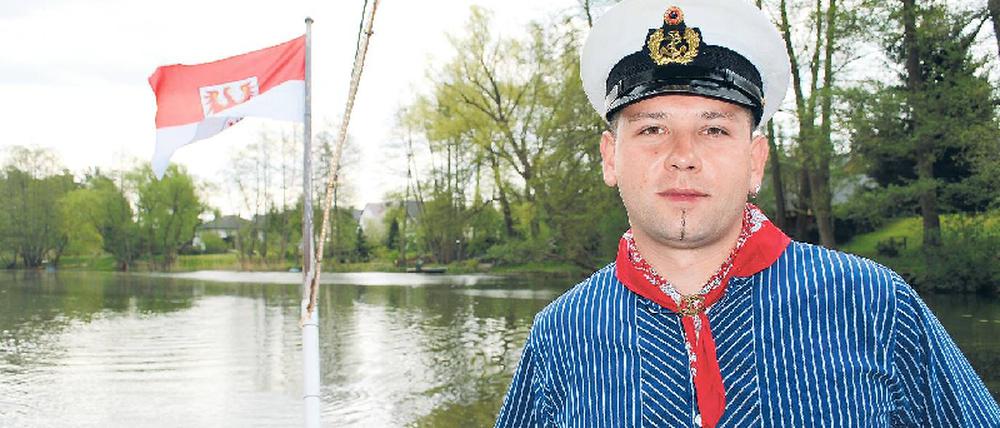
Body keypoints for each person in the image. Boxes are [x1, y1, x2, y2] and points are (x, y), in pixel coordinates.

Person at [494, 0, 1000, 426]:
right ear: (610, 158)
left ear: (755, 161)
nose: (683, 154)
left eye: (714, 129)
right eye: (652, 129)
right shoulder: (560, 333)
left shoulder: (875, 306)